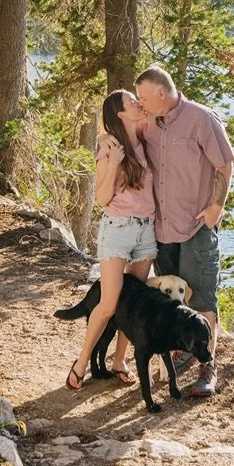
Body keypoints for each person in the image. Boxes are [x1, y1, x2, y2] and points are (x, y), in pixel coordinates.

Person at [135, 65, 232, 398]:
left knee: (202, 297)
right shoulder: (148, 123)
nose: (140, 103)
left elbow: (224, 164)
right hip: (162, 228)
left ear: (162, 93)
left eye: (144, 97)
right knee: (169, 301)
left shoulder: (202, 119)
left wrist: (216, 208)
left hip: (195, 226)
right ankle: (177, 351)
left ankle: (208, 366)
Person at [66, 88, 156, 389]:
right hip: (117, 230)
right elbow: (103, 198)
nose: (138, 103)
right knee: (108, 304)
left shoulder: (143, 137)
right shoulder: (109, 150)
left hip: (147, 231)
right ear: (120, 113)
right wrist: (115, 160)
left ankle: (119, 361)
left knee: (135, 303)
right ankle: (81, 362)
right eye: (131, 101)